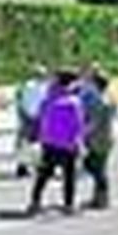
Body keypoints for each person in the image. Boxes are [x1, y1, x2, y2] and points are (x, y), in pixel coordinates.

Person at [27, 70, 87, 216]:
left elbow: (39, 118)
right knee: (69, 176)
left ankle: (35, 202)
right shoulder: (74, 102)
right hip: (68, 145)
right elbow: (79, 125)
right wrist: (80, 142)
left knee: (44, 174)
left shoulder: (48, 99)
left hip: (49, 142)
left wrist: (38, 136)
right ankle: (68, 205)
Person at [82, 73, 118, 210]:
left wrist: (83, 134)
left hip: (98, 139)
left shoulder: (99, 101)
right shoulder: (109, 98)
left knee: (94, 167)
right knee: (98, 167)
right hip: (107, 136)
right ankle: (99, 198)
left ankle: (102, 198)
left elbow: (94, 123)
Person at [14, 66, 51, 178]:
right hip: (39, 117)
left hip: (28, 117)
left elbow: (20, 102)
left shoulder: (26, 86)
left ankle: (23, 165)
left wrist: (23, 116)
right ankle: (37, 165)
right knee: (40, 143)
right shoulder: (45, 87)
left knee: (26, 143)